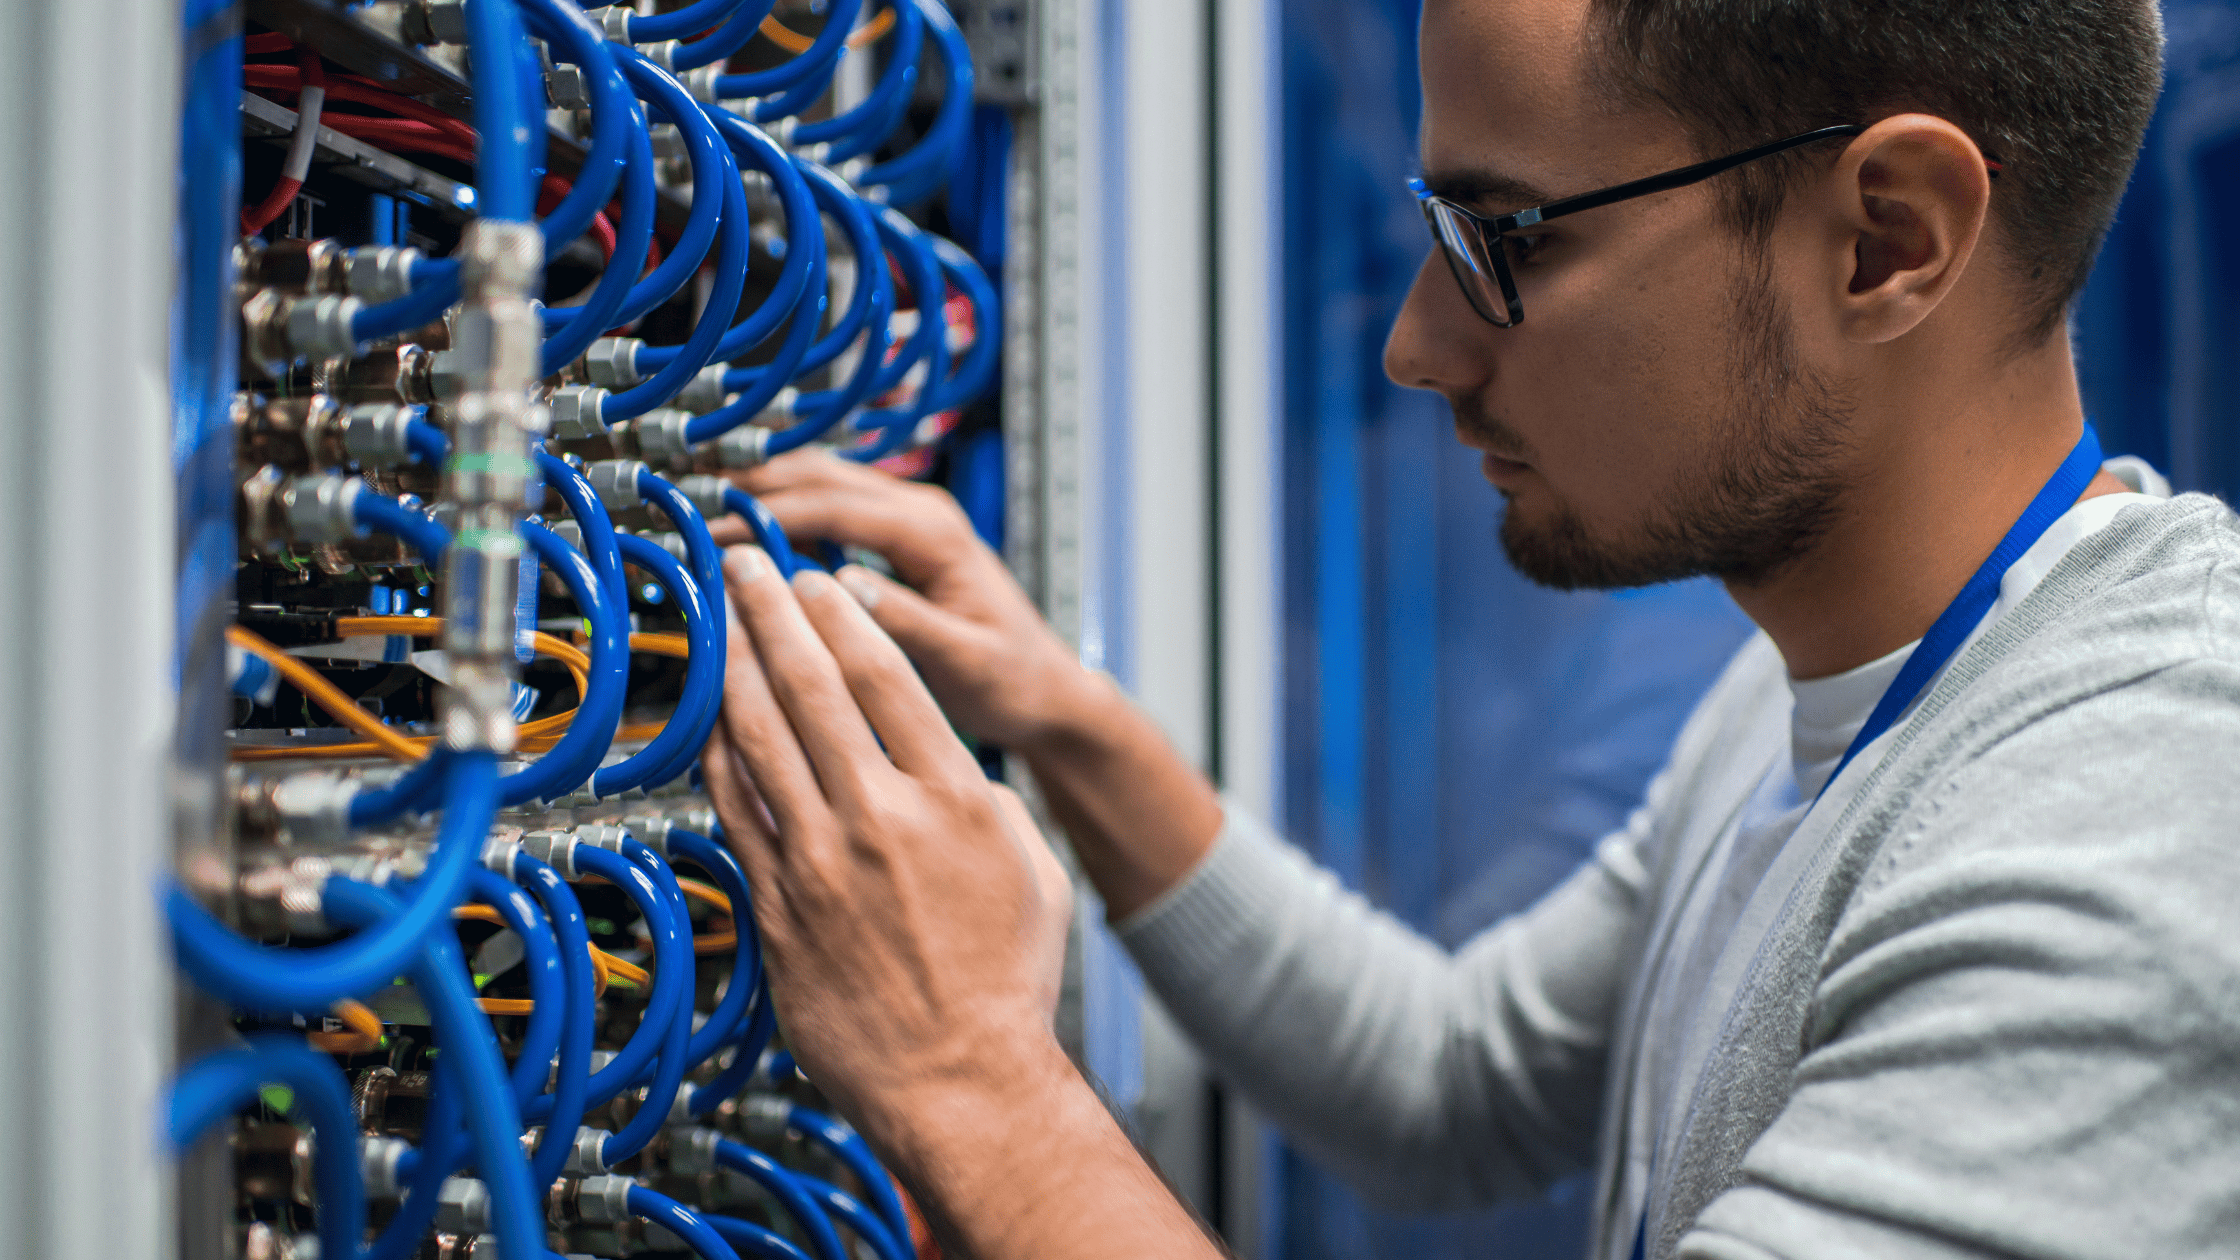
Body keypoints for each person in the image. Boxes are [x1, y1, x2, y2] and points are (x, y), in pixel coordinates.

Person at [696, 0, 2240, 1255]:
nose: (1414, 348)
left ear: (1883, 241)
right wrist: (1064, 715)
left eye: (1507, 239)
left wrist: (975, 1083)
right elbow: (1450, 1086)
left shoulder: (2137, 837)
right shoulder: (1840, 692)